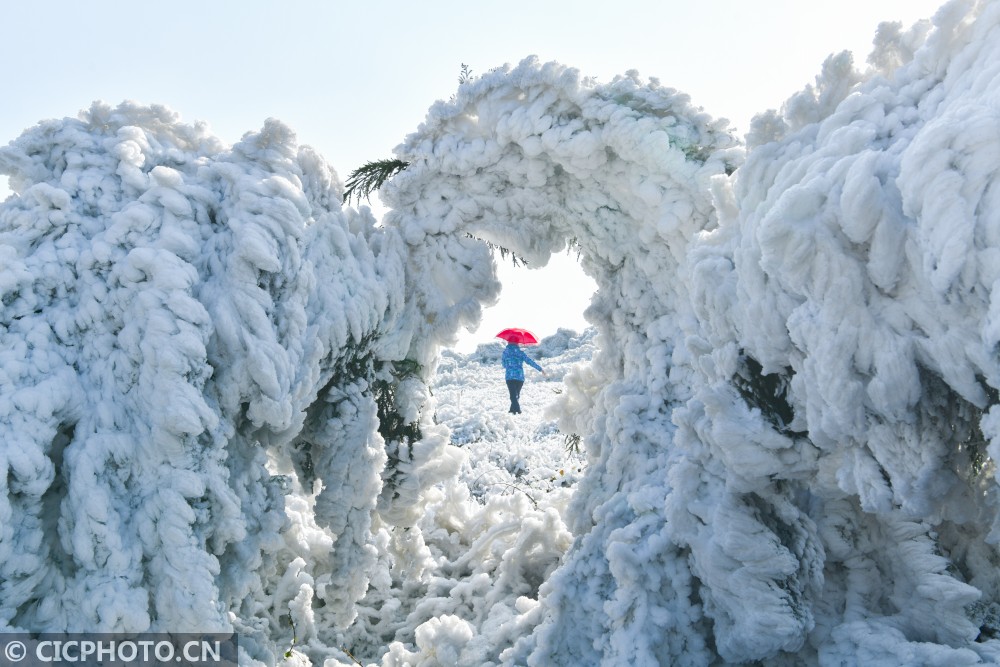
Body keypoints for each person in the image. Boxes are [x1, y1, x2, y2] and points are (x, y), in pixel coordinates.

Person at [501, 342, 545, 414]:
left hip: (510, 377)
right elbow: (530, 361)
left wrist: (509, 364)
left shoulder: (505, 353)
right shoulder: (521, 353)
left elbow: (503, 365)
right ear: (517, 343)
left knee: (513, 395)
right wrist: (540, 369)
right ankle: (512, 410)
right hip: (520, 377)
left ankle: (518, 410)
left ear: (508, 342)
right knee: (516, 395)